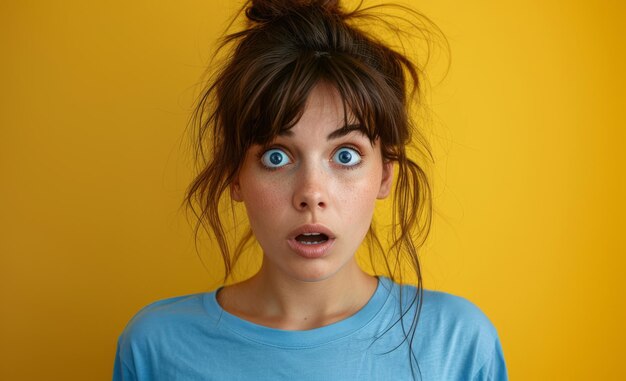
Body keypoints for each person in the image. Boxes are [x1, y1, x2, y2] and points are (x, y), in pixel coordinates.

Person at [113, 0, 508, 380]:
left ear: (385, 174)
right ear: (236, 176)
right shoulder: (156, 347)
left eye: (346, 156)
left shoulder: (458, 344)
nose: (311, 193)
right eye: (276, 157)